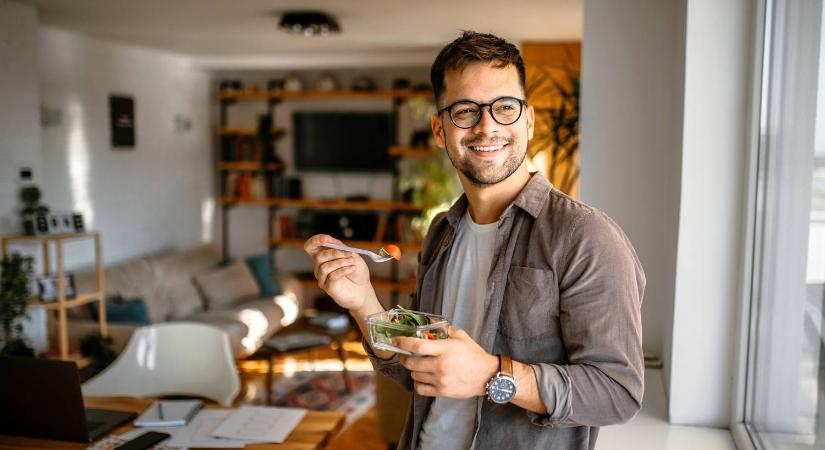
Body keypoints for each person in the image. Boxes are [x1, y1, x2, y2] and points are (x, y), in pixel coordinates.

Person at [304, 31, 645, 450]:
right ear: (439, 128)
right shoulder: (442, 232)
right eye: (465, 110)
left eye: (504, 107)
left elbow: (618, 394)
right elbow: (416, 365)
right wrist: (363, 302)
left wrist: (490, 375)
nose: (487, 126)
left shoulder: (586, 237)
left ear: (529, 120)